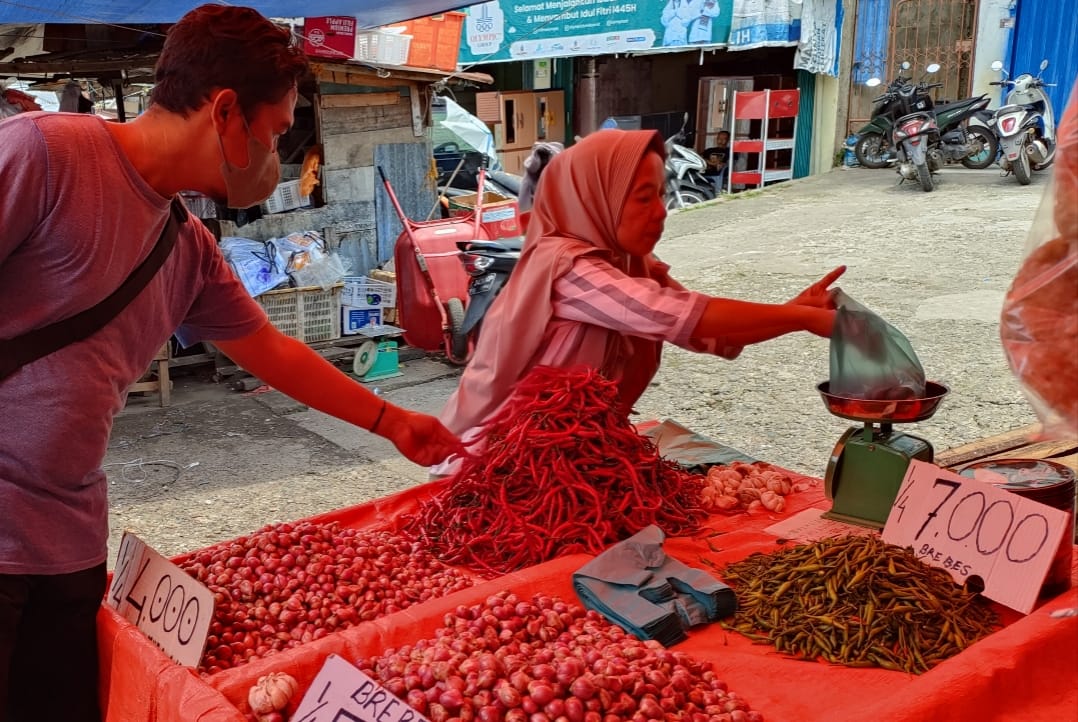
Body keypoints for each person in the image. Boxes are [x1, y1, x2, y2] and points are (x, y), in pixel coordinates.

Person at [0, 5, 460, 720]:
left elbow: (269, 348)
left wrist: (390, 420)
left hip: (67, 542)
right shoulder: (45, 154)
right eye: (276, 131)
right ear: (224, 112)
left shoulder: (185, 247)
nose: (278, 155)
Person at [437, 129, 843, 467]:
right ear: (597, 198)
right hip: (494, 461)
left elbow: (709, 335)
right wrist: (797, 318)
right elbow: (672, 315)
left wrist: (791, 311)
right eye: (643, 198)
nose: (661, 212)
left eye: (662, 196)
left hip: (566, 453)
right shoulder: (565, 266)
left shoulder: (633, 264)